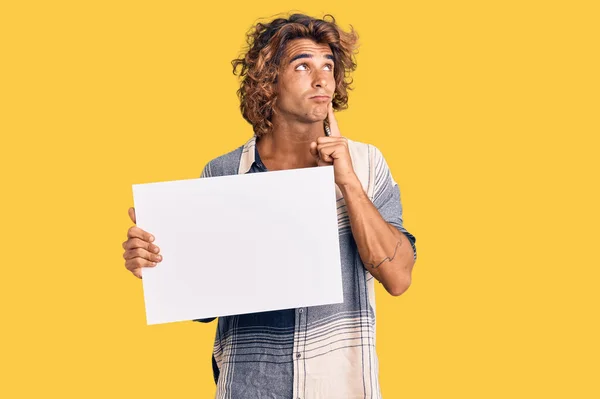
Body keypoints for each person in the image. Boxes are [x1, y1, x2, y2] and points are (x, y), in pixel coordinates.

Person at [122, 13, 417, 399]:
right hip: (248, 386)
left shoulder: (366, 164)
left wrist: (347, 182)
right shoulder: (224, 172)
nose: (322, 78)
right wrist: (156, 264)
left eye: (328, 65)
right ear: (269, 80)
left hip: (340, 386)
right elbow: (202, 305)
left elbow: (399, 278)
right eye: (303, 65)